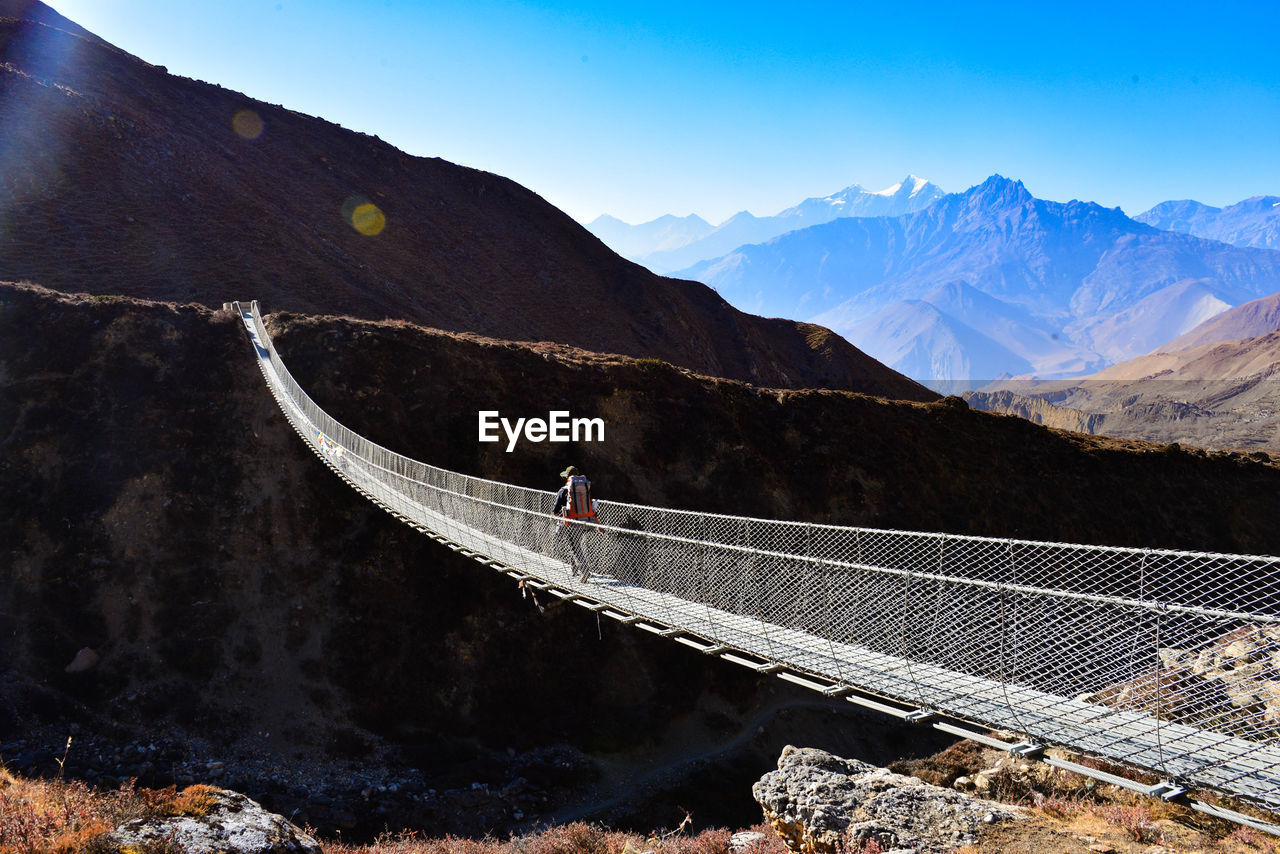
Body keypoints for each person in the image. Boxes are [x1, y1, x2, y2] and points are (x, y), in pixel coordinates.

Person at [553, 465, 596, 581]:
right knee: (575, 543)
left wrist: (558, 518)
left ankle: (585, 572)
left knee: (574, 546)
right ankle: (574, 569)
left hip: (571, 523)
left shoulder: (563, 490)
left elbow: (555, 510)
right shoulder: (585, 487)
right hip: (585, 521)